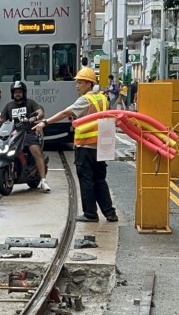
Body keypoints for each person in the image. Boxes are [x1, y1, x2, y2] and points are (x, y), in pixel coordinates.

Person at [34, 67, 118, 222]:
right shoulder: (102, 98)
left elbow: (66, 113)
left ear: (88, 83)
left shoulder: (85, 100)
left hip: (85, 146)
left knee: (86, 180)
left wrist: (45, 122)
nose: (76, 85)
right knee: (100, 180)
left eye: (79, 82)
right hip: (100, 147)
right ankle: (110, 213)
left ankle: (90, 214)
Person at [0, 80, 48, 192]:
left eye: (19, 92)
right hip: (13, 134)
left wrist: (35, 118)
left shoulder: (31, 103)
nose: (17, 94)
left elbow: (40, 112)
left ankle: (43, 181)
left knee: (36, 151)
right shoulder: (9, 106)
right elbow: (2, 119)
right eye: (15, 92)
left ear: (24, 92)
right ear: (12, 94)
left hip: (28, 132)